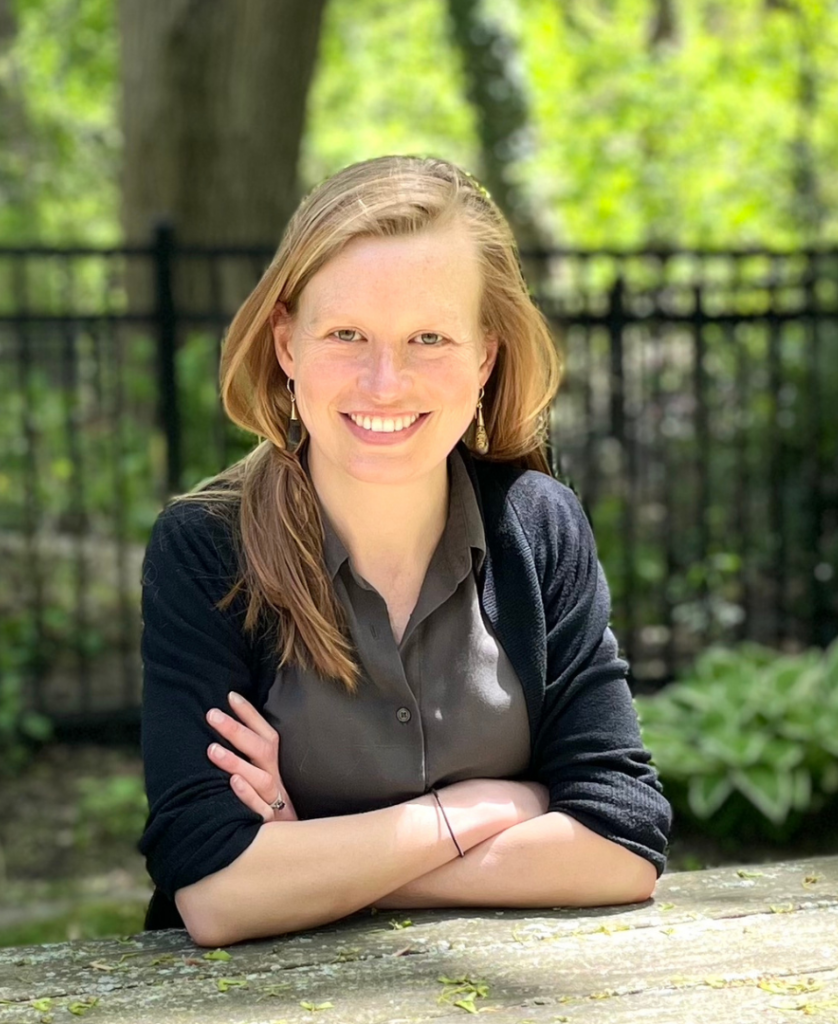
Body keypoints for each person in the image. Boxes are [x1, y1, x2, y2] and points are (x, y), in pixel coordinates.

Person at [138, 155, 671, 947]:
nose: (385, 382)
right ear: (287, 344)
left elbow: (622, 843)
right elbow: (213, 893)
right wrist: (483, 809)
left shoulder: (538, 526)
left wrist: (307, 869)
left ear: (484, 358)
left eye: (429, 337)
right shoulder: (207, 549)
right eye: (347, 333)